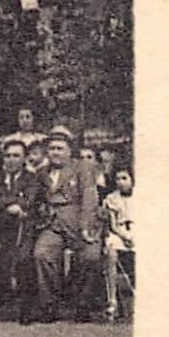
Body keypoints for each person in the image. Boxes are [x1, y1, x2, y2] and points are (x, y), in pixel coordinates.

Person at [30, 126, 104, 322]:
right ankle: (49, 306)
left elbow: (89, 198)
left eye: (60, 148)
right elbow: (34, 199)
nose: (55, 152)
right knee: (42, 253)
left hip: (78, 219)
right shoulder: (42, 172)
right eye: (52, 148)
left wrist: (86, 227)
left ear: (70, 151)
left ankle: (82, 305)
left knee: (90, 255)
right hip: (52, 223)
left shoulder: (82, 168)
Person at [0, 137, 44, 324]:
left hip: (22, 230)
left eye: (16, 156)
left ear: (25, 158)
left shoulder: (32, 179)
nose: (11, 160)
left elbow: (28, 201)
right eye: (8, 156)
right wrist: (9, 204)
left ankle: (26, 309)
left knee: (24, 259)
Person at [101, 166, 134, 321]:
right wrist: (125, 237)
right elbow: (113, 225)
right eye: (118, 179)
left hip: (139, 231)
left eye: (124, 178)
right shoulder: (112, 199)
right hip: (119, 233)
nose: (121, 182)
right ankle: (112, 299)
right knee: (111, 252)